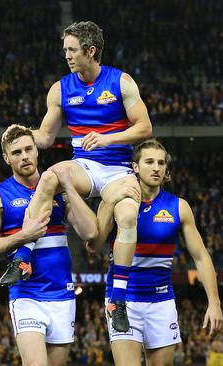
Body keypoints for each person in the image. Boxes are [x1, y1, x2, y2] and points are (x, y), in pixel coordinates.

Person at [3, 21, 152, 332]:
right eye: (65, 50)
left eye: (71, 50)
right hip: (84, 165)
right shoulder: (60, 89)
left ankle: (118, 300)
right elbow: (44, 137)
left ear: (91, 51)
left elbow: (145, 128)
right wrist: (17, 133)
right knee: (50, 177)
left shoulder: (121, 82)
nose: (66, 55)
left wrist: (107, 138)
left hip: (119, 169)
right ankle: (23, 257)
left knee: (127, 217)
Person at [87, 139, 223, 365]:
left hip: (162, 301)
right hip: (123, 300)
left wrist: (214, 302)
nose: (157, 167)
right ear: (136, 167)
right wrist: (109, 203)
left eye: (161, 163)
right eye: (149, 162)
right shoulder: (117, 202)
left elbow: (201, 257)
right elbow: (93, 247)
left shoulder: (178, 207)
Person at [0, 126, 97, 366]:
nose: (24, 156)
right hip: (26, 295)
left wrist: (69, 187)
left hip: (63, 293)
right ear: (6, 158)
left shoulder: (59, 190)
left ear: (36, 151)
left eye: (29, 149)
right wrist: (23, 235)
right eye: (17, 152)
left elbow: (90, 232)